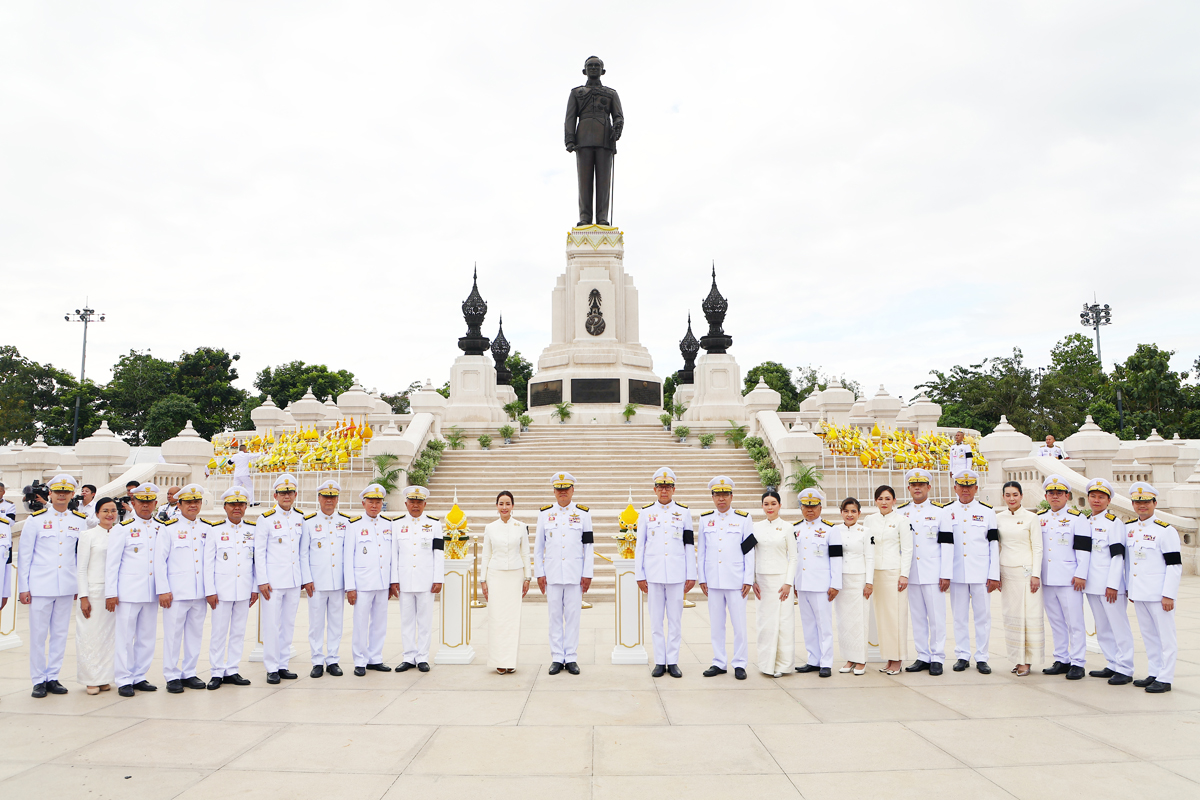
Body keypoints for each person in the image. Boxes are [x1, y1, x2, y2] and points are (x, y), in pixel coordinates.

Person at [19, 473, 87, 697]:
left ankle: (53, 677)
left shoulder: (79, 521)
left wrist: (79, 586)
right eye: (58, 491)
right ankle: (38, 680)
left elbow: (80, 556)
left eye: (66, 492)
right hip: (40, 585)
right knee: (38, 635)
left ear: (72, 494)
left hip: (66, 585)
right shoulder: (35, 520)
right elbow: (25, 555)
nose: (61, 495)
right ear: (50, 493)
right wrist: (23, 587)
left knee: (60, 633)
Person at [105, 482, 165, 696]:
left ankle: (139, 675)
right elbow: (112, 563)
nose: (145, 506)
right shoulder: (122, 528)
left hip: (151, 592)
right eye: (141, 501)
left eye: (149, 502)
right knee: (125, 637)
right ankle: (123, 679)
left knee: (147, 637)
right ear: (133, 502)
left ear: (156, 503)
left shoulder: (162, 527)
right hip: (128, 592)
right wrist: (111, 593)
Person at [635, 467, 695, 678]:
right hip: (653, 574)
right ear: (654, 489)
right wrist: (639, 574)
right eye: (660, 487)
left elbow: (689, 544)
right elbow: (640, 545)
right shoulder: (645, 512)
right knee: (656, 621)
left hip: (677, 574)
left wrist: (691, 574)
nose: (664, 491)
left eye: (668, 487)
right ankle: (660, 661)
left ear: (673, 489)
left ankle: (673, 661)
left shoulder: (684, 512)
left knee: (675, 620)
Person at [535, 472, 594, 675]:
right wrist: (539, 573)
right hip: (552, 574)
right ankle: (557, 657)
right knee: (554, 617)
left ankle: (571, 657)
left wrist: (587, 573)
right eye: (559, 489)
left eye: (566, 488)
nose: (562, 492)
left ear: (572, 490)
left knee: (573, 616)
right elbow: (538, 547)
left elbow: (588, 546)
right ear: (554, 491)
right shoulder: (544, 514)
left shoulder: (583, 514)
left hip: (575, 574)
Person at [1126, 482, 1182, 693]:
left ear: (1155, 503)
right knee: (1149, 636)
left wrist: (1169, 594)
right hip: (1140, 593)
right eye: (1137, 502)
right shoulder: (1130, 528)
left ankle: (1165, 678)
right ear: (1133, 504)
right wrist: (1131, 589)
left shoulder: (1165, 531)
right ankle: (1154, 672)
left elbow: (1174, 565)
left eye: (1146, 502)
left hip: (1159, 594)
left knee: (1166, 638)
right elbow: (1131, 563)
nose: (1142, 506)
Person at [697, 476, 755, 680]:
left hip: (736, 580)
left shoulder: (744, 518)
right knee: (716, 624)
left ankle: (739, 663)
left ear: (731, 496)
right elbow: (702, 551)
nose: (721, 498)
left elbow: (749, 550)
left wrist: (748, 578)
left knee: (739, 625)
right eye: (717, 495)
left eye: (725, 494)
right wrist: (702, 578)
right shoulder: (705, 519)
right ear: (712, 497)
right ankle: (719, 662)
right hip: (713, 580)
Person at [942, 469, 999, 673]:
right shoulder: (946, 511)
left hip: (981, 573)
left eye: (969, 486)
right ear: (955, 488)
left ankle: (982, 657)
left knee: (983, 617)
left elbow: (993, 544)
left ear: (976, 488)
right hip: (957, 572)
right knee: (959, 617)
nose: (965, 490)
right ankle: (962, 655)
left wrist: (994, 574)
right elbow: (944, 544)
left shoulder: (987, 511)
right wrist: (945, 573)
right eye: (961, 486)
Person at [156, 484, 210, 693]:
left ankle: (189, 672)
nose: (193, 505)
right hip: (176, 592)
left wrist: (209, 590)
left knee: (195, 635)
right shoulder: (168, 528)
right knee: (173, 635)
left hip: (199, 592)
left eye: (196, 502)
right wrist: (163, 589)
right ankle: (171, 675)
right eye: (188, 502)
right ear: (179, 504)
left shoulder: (206, 528)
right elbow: (159, 561)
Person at [204, 486, 259, 689]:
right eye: (233, 504)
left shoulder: (253, 530)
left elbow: (256, 563)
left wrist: (254, 588)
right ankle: (217, 671)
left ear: (246, 507)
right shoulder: (215, 530)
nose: (237, 508)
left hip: (244, 589)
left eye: (241, 504)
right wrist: (210, 590)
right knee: (219, 632)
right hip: (221, 591)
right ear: (225, 507)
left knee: (238, 632)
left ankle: (232, 669)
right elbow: (208, 563)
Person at [898, 469, 952, 676]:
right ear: (908, 488)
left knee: (937, 617)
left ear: (929, 487)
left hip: (933, 572)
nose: (917, 488)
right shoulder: (901, 513)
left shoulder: (940, 512)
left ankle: (937, 657)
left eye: (921, 484)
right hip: (911, 573)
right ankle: (922, 656)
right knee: (918, 617)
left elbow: (947, 544)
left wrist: (945, 573)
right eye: (914, 485)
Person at [1039, 474, 1091, 680]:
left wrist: (1081, 574)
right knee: (1056, 621)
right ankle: (1062, 659)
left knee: (1074, 622)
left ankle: (1078, 662)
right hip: (1047, 578)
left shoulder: (1077, 518)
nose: (1055, 496)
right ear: (1046, 496)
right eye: (1051, 493)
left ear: (1067, 495)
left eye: (1059, 493)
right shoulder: (1040, 518)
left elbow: (1084, 549)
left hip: (1070, 579)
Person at [1083, 478, 1134, 685]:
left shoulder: (1114, 523)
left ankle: (1125, 668)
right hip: (1091, 584)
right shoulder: (1085, 521)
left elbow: (1118, 556)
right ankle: (1112, 663)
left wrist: (1113, 584)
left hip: (1109, 586)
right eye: (1093, 496)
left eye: (1101, 497)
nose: (1096, 500)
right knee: (1102, 627)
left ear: (1108, 500)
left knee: (1119, 627)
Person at [256, 474, 306, 684]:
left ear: (295, 495)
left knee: (288, 624)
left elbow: (302, 551)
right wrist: (262, 580)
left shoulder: (300, 518)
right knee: (271, 625)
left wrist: (303, 578)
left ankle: (283, 664)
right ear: (275, 495)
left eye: (290, 492)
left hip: (293, 581)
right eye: (283, 493)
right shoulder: (266, 519)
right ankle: (271, 667)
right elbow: (259, 552)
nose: (287, 496)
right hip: (273, 583)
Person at [344, 483, 398, 676]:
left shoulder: (388, 524)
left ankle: (375, 658)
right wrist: (350, 586)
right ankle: (360, 660)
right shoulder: (354, 525)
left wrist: (392, 582)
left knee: (379, 623)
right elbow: (348, 558)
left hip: (382, 583)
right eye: (371, 502)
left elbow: (392, 556)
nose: (374, 506)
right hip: (362, 584)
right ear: (363, 503)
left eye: (378, 502)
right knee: (360, 623)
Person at [390, 485, 444, 673]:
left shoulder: (434, 524)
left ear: (425, 504)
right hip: (404, 580)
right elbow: (394, 554)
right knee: (406, 621)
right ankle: (408, 657)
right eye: (412, 501)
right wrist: (394, 580)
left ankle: (422, 657)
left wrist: (438, 578)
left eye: (419, 502)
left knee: (425, 621)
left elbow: (439, 553)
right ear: (406, 504)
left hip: (426, 580)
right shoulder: (397, 524)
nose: (415, 505)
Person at [565, 55, 623, 226]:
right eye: (590, 66)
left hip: (605, 139)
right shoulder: (576, 93)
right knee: (584, 181)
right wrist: (569, 139)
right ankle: (585, 217)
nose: (593, 68)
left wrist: (618, 127)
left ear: (603, 71)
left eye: (597, 66)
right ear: (584, 71)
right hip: (583, 140)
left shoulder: (611, 94)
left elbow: (618, 116)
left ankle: (602, 217)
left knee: (604, 182)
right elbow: (570, 118)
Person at [301, 479, 351, 678]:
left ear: (337, 499)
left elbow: (348, 554)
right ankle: (316, 661)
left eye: (333, 497)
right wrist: (307, 579)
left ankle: (333, 660)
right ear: (319, 498)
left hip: (338, 582)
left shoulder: (346, 522)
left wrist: (348, 582)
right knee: (316, 624)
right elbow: (303, 553)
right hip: (317, 582)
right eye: (325, 497)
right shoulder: (309, 522)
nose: (329, 500)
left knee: (336, 623)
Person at [995, 480, 1044, 676]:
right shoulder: (998, 518)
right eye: (1007, 495)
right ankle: (1017, 658)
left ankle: (1027, 661)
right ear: (1003, 497)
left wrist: (1036, 574)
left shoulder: (1032, 518)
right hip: (1007, 572)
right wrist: (996, 574)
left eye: (1015, 494)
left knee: (1028, 616)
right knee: (1012, 616)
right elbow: (997, 547)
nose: (1012, 498)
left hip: (1026, 573)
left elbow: (1037, 548)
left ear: (1021, 496)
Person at [792, 488, 842, 678]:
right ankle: (813, 660)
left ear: (820, 507)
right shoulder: (795, 529)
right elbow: (793, 558)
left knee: (824, 625)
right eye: (806, 506)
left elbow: (836, 558)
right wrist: (793, 582)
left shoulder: (830, 529)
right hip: (802, 584)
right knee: (808, 624)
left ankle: (826, 662)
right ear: (801, 508)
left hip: (822, 585)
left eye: (813, 506)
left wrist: (835, 584)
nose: (809, 510)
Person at [480, 490, 531, 674]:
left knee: (512, 619)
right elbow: (486, 554)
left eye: (507, 503)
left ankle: (510, 661)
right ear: (496, 506)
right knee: (496, 618)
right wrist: (483, 579)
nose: (504, 507)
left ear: (513, 506)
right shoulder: (490, 528)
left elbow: (525, 553)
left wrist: (527, 577)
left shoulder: (521, 527)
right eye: (501, 503)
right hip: (495, 575)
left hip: (515, 576)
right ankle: (498, 661)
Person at [866, 484, 913, 675]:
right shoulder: (869, 520)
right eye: (880, 499)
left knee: (896, 618)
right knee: (882, 619)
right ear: (875, 501)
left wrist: (904, 574)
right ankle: (888, 658)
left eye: (887, 498)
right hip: (876, 573)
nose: (884, 502)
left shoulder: (902, 520)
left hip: (894, 573)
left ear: (894, 500)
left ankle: (898, 658)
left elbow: (907, 549)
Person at [751, 488, 795, 678]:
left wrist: (788, 583)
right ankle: (766, 664)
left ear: (780, 505)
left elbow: (794, 557)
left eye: (773, 504)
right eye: (766, 504)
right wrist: (752, 580)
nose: (770, 507)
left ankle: (783, 665)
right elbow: (750, 554)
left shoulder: (787, 527)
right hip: (762, 582)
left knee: (783, 623)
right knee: (765, 624)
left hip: (781, 581)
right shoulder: (755, 527)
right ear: (762, 506)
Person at [76, 497, 117, 694]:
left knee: (108, 637)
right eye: (105, 511)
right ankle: (91, 679)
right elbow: (81, 568)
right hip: (93, 592)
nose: (110, 514)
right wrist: (83, 596)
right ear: (97, 513)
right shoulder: (88, 535)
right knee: (90, 636)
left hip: (113, 593)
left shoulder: (119, 534)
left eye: (113, 510)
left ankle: (104, 678)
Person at [832, 497, 872, 675]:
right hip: (841, 581)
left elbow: (870, 557)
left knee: (859, 620)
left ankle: (861, 659)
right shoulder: (834, 530)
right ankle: (849, 658)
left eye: (853, 511)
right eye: (846, 511)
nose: (850, 514)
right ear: (841, 512)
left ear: (859, 513)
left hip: (858, 579)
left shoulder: (865, 532)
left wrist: (869, 582)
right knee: (844, 621)